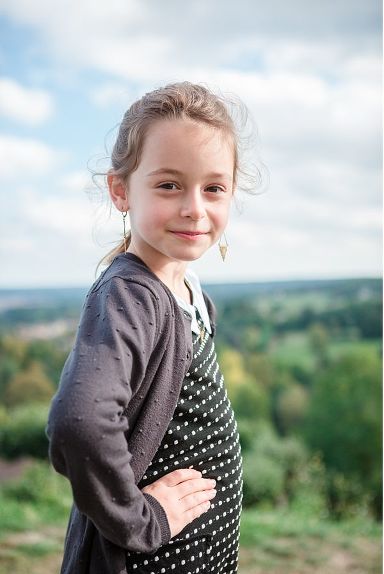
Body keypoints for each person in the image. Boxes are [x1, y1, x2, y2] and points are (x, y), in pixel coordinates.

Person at [47, 82, 250, 574]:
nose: (194, 208)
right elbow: (80, 424)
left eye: (213, 188)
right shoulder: (131, 296)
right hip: (152, 559)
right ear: (121, 190)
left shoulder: (191, 296)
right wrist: (142, 519)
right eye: (169, 185)